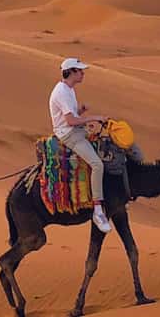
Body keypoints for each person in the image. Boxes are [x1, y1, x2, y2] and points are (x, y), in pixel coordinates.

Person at [50, 58, 112, 234]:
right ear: (71, 72)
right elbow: (69, 121)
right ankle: (98, 210)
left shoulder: (68, 89)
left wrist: (81, 110)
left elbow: (71, 114)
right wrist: (94, 117)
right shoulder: (61, 92)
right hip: (69, 135)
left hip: (76, 129)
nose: (83, 73)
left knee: (106, 145)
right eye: (80, 71)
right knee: (97, 164)